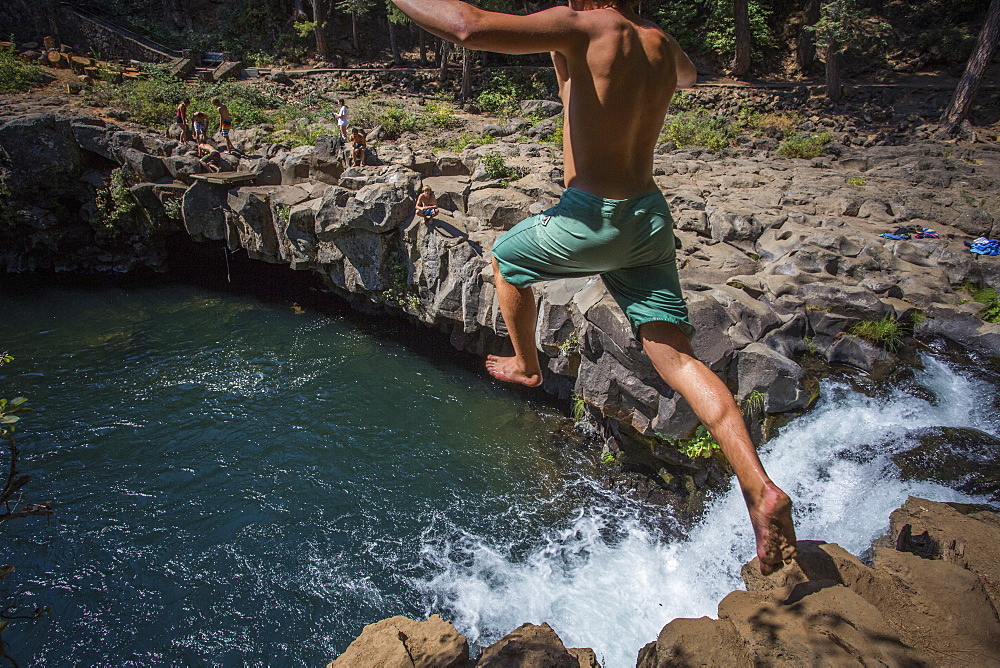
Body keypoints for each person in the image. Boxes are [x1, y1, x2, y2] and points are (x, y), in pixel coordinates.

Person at [391, 0, 797, 575]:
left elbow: (468, 26)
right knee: (676, 358)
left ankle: (527, 363)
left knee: (507, 261)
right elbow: (685, 76)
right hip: (648, 220)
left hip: (593, 219)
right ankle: (759, 490)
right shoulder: (656, 42)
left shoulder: (586, 26)